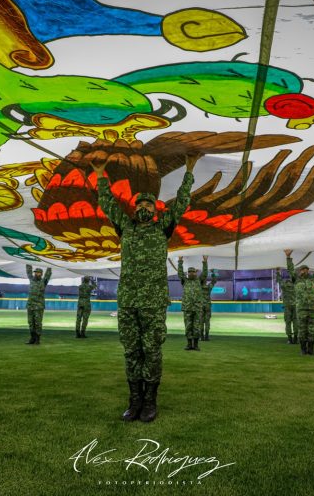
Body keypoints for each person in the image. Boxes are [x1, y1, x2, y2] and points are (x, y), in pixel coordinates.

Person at [92, 151, 199, 423]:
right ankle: (134, 400)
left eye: (149, 206)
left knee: (151, 350)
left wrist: (189, 168)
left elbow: (182, 202)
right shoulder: (125, 227)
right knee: (131, 350)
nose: (145, 208)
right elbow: (106, 203)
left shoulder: (163, 227)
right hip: (127, 301)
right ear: (135, 208)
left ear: (155, 210)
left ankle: (150, 401)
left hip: (153, 302)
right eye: (141, 204)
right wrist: (101, 173)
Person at [285, 249, 314, 355]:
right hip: (301, 309)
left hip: (313, 309)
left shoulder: (313, 279)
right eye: (303, 269)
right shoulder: (296, 280)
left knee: (312, 329)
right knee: (302, 329)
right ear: (299, 271)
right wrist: (288, 257)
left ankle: (311, 350)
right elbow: (290, 270)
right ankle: (303, 350)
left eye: (307, 270)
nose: (305, 271)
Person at [178, 256, 208, 351]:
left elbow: (205, 274)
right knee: (188, 326)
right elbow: (180, 274)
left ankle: (195, 345)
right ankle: (188, 344)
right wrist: (180, 261)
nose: (191, 273)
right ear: (187, 274)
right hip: (187, 308)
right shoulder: (185, 281)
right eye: (189, 272)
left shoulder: (199, 281)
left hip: (197, 308)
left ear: (196, 273)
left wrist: (205, 262)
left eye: (193, 271)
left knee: (197, 326)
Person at [26, 264, 51, 344]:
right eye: (35, 272)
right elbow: (28, 271)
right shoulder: (31, 280)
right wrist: (28, 262)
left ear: (41, 274)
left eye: (38, 272)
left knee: (38, 323)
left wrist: (49, 265)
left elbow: (48, 274)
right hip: (30, 305)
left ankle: (37, 339)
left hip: (39, 306)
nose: (36, 274)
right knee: (30, 323)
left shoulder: (43, 281)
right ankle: (32, 338)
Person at [277, 267, 297, 344]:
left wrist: (278, 272)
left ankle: (289, 339)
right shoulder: (295, 286)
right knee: (296, 321)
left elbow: (279, 280)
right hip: (295, 305)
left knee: (288, 322)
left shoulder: (284, 286)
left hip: (287, 306)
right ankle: (295, 338)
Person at [200, 262, 218, 341]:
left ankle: (201, 337)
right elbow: (214, 281)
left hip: (200, 305)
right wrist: (213, 272)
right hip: (207, 305)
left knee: (200, 321)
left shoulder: (198, 287)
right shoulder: (209, 287)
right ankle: (207, 336)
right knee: (207, 321)